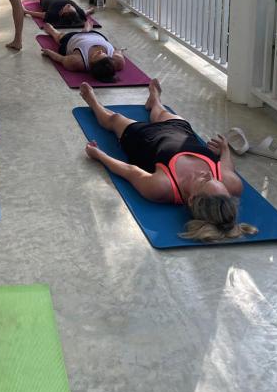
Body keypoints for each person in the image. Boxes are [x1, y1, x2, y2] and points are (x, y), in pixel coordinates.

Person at [80, 78, 258, 242]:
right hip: (180, 132)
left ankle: (92, 102)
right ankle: (155, 100)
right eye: (216, 179)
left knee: (115, 119)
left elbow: (130, 172)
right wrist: (225, 150)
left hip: (143, 140)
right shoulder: (232, 185)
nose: (209, 174)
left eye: (205, 181)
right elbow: (226, 165)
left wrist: (99, 155)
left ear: (191, 199)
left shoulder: (162, 188)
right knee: (161, 112)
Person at [41, 21, 125, 82]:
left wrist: (49, 52)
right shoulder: (118, 62)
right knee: (111, 47)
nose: (100, 51)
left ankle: (53, 31)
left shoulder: (76, 61)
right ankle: (86, 30)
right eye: (104, 54)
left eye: (97, 55)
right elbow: (118, 51)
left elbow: (61, 59)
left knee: (59, 37)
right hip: (97, 35)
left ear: (91, 64)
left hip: (73, 38)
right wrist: (120, 50)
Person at [24, 0, 94, 28]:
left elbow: (40, 14)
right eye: (71, 6)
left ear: (62, 13)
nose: (69, 5)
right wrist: (91, 10)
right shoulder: (78, 12)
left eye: (68, 7)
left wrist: (26, 11)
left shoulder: (53, 14)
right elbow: (86, 12)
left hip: (48, 2)